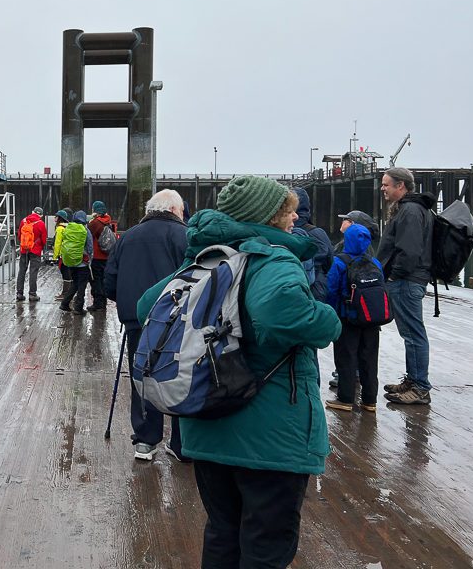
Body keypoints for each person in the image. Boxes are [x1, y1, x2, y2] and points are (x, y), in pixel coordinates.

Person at [138, 176, 341, 568]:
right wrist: (328, 319)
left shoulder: (206, 256)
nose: (296, 216)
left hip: (207, 421)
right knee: (265, 546)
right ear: (266, 216)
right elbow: (282, 316)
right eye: (288, 209)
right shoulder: (272, 258)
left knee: (222, 532)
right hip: (268, 435)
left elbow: (148, 305)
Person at [103, 189, 190, 462]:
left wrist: (128, 303)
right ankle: (181, 443)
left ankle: (145, 440)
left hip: (136, 321)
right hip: (178, 321)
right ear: (176, 210)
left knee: (143, 376)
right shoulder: (184, 236)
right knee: (180, 376)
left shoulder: (126, 237)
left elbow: (110, 281)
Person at [377, 167, 435, 405]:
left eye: (386, 184)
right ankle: (412, 380)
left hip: (407, 281)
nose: (382, 188)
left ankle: (420, 387)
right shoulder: (411, 208)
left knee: (413, 334)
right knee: (410, 333)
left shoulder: (410, 211)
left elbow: (409, 251)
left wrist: (393, 277)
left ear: (401, 186)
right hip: (409, 280)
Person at [325, 223, 384, 413]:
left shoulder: (339, 262)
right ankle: (370, 401)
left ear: (347, 240)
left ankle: (346, 398)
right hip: (371, 319)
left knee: (346, 357)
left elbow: (331, 290)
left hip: (347, 318)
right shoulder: (375, 263)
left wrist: (332, 313)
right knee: (369, 358)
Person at [291, 187, 334, 302]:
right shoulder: (317, 233)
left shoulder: (283, 232)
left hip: (292, 288)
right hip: (317, 287)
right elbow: (330, 260)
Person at [59, 210, 93, 315]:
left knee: (75, 283)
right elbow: (90, 246)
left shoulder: (68, 228)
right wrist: (90, 258)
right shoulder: (85, 230)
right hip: (83, 263)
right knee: (82, 285)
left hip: (71, 262)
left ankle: (64, 303)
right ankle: (78, 308)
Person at [16, 206, 47, 302]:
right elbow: (44, 239)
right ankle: (32, 294)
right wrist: (40, 247)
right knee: (33, 272)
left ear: (32, 212)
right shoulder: (41, 223)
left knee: (22, 271)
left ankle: (19, 293)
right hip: (35, 251)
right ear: (41, 215)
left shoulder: (23, 221)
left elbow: (19, 236)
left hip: (24, 250)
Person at [87, 200, 113, 312]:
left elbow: (87, 234)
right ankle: (103, 303)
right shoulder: (108, 221)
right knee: (103, 280)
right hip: (106, 256)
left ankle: (98, 304)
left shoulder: (95, 223)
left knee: (95, 281)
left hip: (97, 256)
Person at [53, 209, 71, 301]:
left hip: (62, 255)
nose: (54, 217)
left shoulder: (60, 228)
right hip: (68, 254)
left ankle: (65, 294)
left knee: (65, 274)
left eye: (56, 216)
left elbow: (57, 243)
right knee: (69, 274)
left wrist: (55, 256)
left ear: (59, 218)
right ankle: (70, 293)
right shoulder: (68, 227)